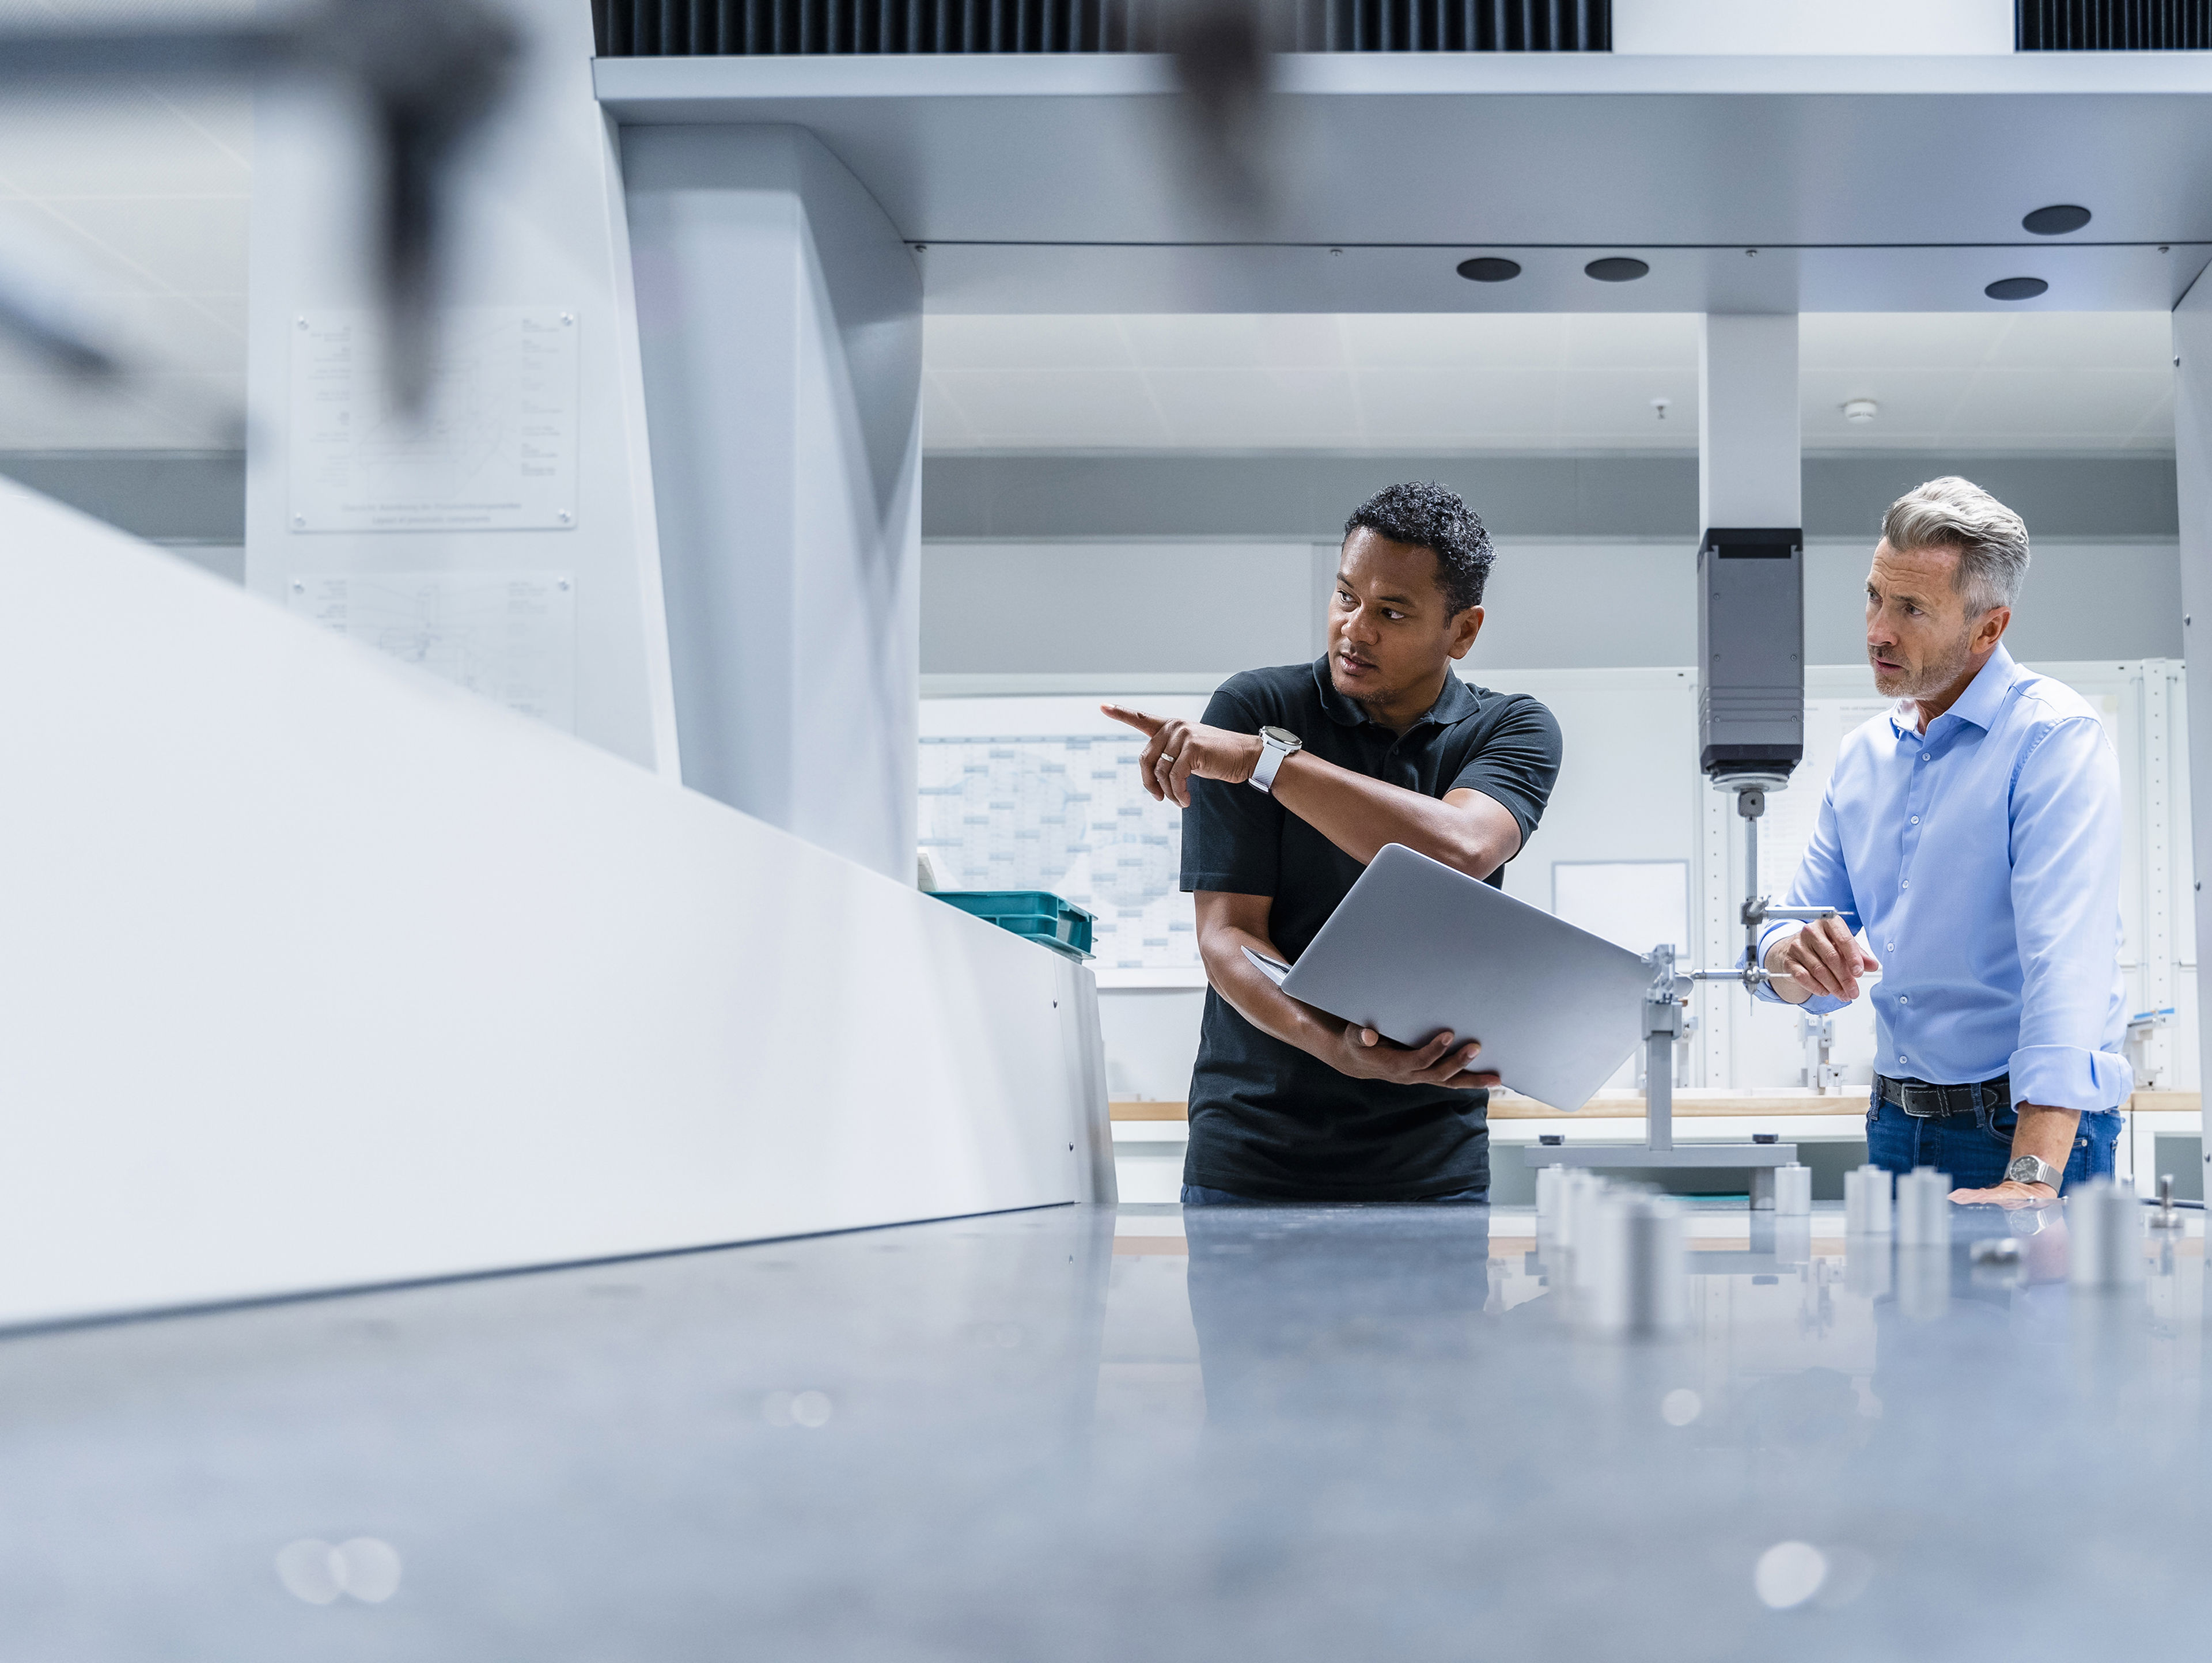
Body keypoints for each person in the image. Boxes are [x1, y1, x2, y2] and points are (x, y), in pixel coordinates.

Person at [1103, 482, 1562, 1204]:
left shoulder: (1512, 730)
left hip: (1430, 1164)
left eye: (1392, 612)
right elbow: (1228, 938)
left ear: (1463, 632)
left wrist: (1263, 763)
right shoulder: (1254, 709)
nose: (1355, 628)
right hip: (1254, 1154)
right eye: (1346, 596)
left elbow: (1463, 847)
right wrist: (1334, 1046)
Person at [1758, 476, 2130, 1207]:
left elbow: (2068, 967)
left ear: (1989, 629)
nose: (1877, 631)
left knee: (2039, 1324)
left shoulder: (2054, 739)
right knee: (1904, 1325)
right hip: (1896, 1123)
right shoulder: (1864, 755)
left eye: (1911, 609)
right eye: (1873, 596)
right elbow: (1789, 934)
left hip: (2020, 1129)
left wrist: (2031, 1180)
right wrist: (1790, 958)